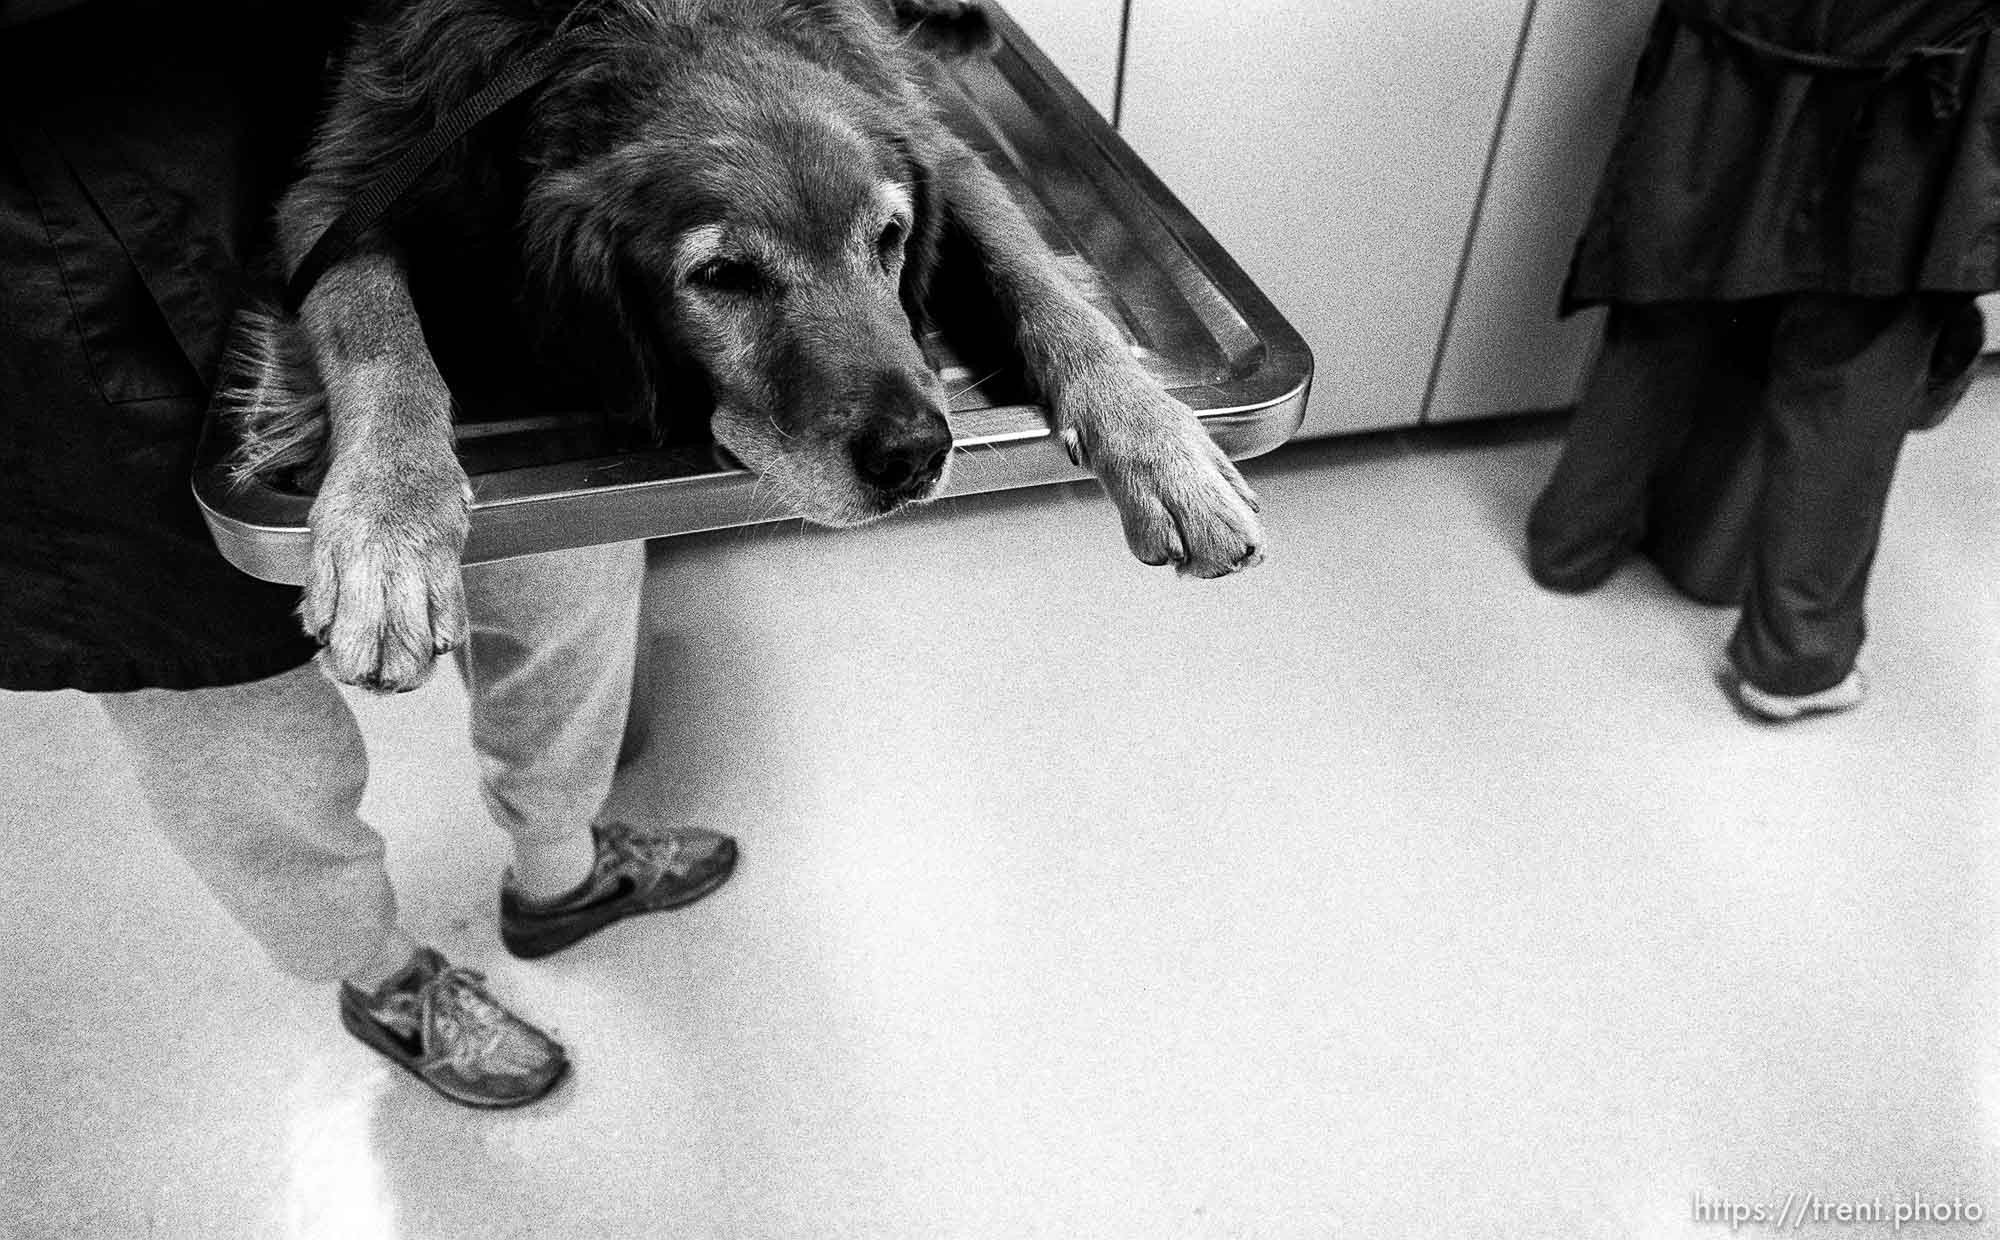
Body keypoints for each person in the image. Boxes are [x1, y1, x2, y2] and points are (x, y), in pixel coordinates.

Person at [1, 0, 735, 1108]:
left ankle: (562, 869)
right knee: (233, 724)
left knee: (565, 568)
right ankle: (380, 975)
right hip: (51, 276)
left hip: (374, 148)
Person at [1526, 0, 1998, 721]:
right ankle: (1795, 659)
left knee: (1667, 299)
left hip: (1725, 52)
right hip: (1906, 95)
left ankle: (1572, 542)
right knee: (1853, 365)